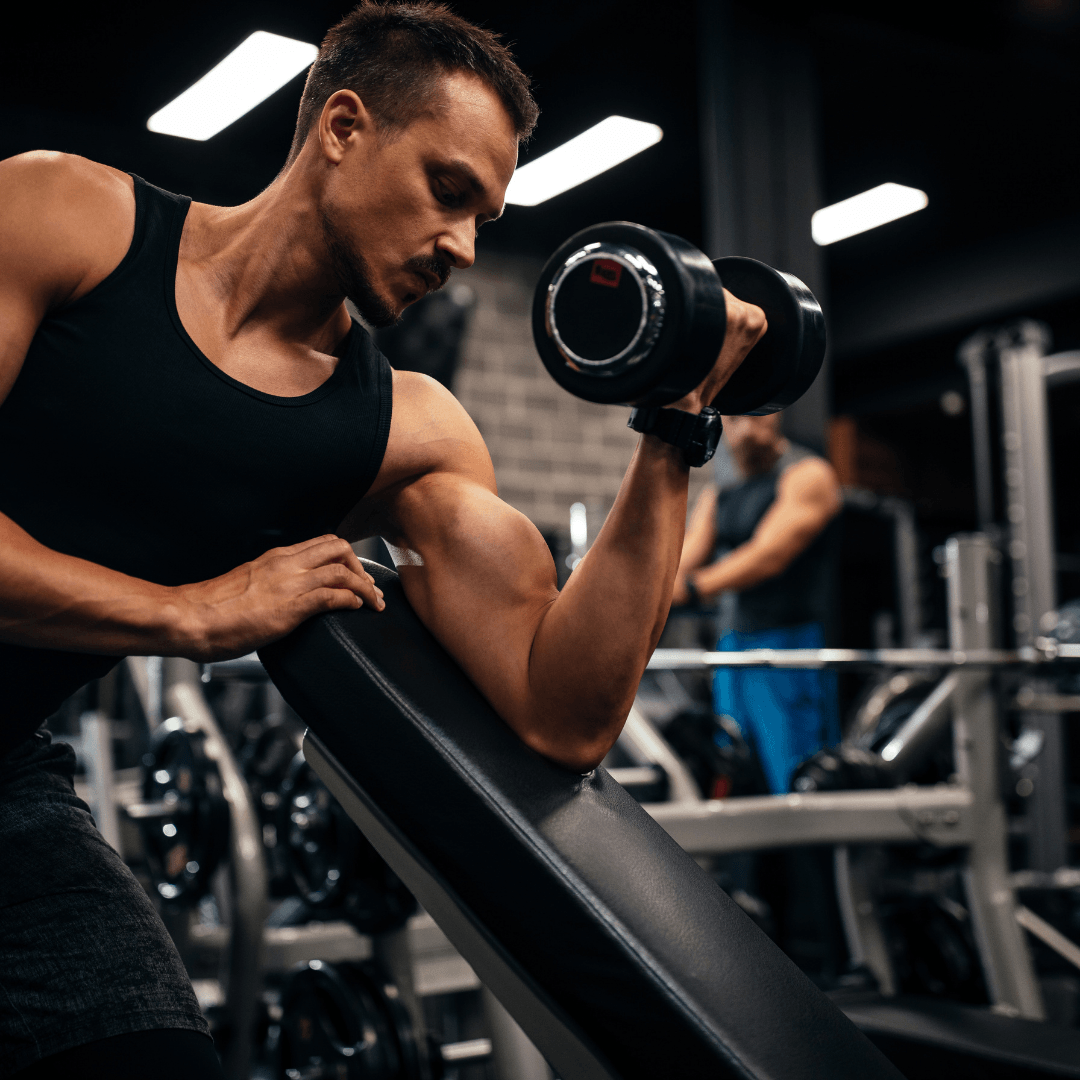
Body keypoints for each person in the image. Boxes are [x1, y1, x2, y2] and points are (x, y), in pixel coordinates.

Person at [0, 3, 767, 1074]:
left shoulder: (408, 430)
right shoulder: (64, 216)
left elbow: (563, 714)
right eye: (447, 190)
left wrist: (675, 429)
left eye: (485, 219)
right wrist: (187, 613)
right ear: (344, 127)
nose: (460, 245)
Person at [673, 412, 842, 796]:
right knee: (732, 769)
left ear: (778, 413)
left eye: (757, 414)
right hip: (732, 649)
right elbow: (684, 558)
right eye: (734, 418)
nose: (747, 428)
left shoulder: (808, 475)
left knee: (797, 778)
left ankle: (811, 854)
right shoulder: (720, 493)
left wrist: (693, 589)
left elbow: (768, 555)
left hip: (789, 648)